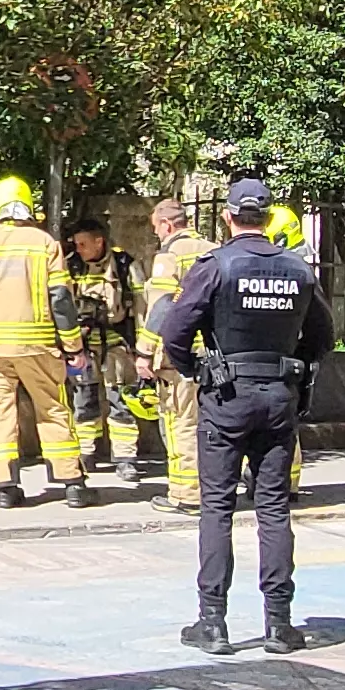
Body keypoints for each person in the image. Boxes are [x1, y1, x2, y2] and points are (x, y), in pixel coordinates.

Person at [151, 176, 333, 654]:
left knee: (217, 508)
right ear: (268, 218)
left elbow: (174, 328)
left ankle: (212, 622)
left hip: (226, 396)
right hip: (278, 397)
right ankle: (279, 624)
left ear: (228, 217)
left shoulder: (216, 265)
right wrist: (299, 377)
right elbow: (322, 335)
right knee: (273, 508)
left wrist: (195, 369)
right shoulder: (297, 269)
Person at [0, 176, 90, 508]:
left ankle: (5, 486)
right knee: (52, 408)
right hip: (38, 346)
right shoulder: (43, 243)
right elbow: (60, 298)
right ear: (26, 205)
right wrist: (73, 346)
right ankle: (72, 483)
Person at [137, 196, 214, 511]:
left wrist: (145, 351)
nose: (156, 234)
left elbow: (162, 305)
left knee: (181, 421)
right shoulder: (214, 250)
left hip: (181, 354)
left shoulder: (169, 254)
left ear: (166, 225)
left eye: (156, 228)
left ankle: (186, 494)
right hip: (216, 352)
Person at [56, 220, 149, 479]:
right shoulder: (72, 266)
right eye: (76, 244)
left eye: (84, 244)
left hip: (116, 342)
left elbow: (142, 306)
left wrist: (142, 347)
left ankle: (125, 458)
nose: (80, 249)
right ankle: (86, 454)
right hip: (83, 344)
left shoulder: (124, 265)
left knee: (120, 399)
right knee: (83, 399)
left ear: (100, 241)